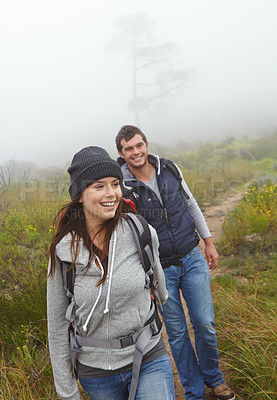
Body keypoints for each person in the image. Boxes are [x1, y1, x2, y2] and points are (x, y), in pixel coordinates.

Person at [115, 125, 236, 400]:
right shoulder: (121, 187)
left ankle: (214, 379)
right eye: (128, 148)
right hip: (159, 269)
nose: (136, 152)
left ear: (146, 144)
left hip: (191, 256)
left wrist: (209, 242)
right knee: (178, 334)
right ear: (121, 154)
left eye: (138, 145)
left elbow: (190, 204)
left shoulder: (169, 168)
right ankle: (194, 392)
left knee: (204, 323)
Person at [47, 146, 175, 400]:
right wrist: (67, 391)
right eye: (98, 186)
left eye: (115, 184)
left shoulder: (141, 231)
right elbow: (57, 325)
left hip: (148, 354)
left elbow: (161, 289)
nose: (111, 194)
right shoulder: (62, 252)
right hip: (96, 373)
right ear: (80, 195)